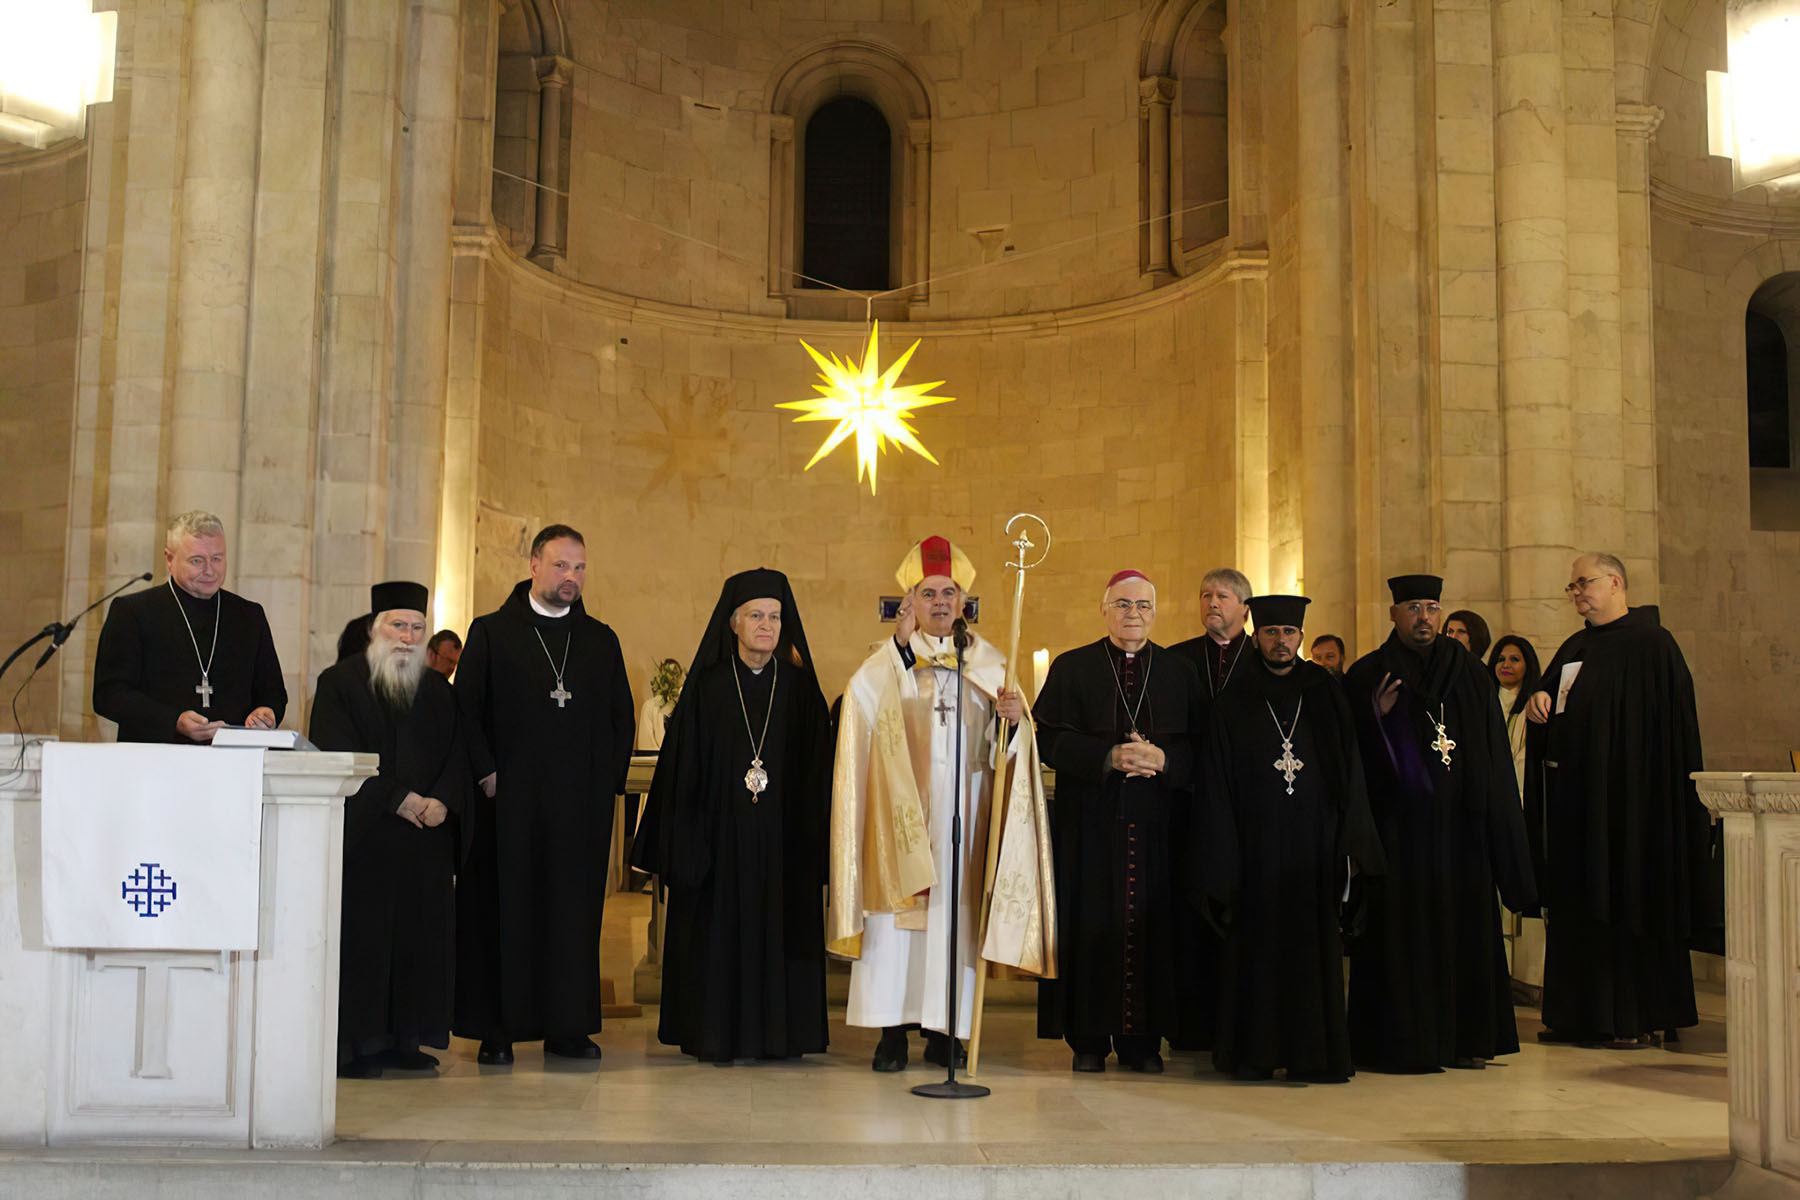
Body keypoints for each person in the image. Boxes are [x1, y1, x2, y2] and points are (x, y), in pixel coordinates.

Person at [828, 535, 1050, 1072]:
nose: (941, 602)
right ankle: (892, 1033)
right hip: (903, 817)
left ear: (963, 601)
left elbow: (1015, 748)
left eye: (950, 592)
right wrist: (901, 651)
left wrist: (1014, 723)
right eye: (929, 593)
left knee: (953, 924)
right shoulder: (888, 661)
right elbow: (858, 712)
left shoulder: (989, 661)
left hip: (964, 820)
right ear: (910, 602)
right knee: (897, 926)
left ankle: (946, 1031)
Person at [631, 570, 834, 1062]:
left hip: (782, 846)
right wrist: (690, 844)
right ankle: (713, 1032)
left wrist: (813, 846)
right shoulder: (707, 689)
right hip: (719, 845)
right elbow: (684, 776)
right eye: (756, 616)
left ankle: (782, 1036)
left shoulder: (803, 692)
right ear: (734, 624)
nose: (767, 626)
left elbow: (818, 778)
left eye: (775, 617)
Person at [453, 524, 636, 1066]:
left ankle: (568, 1027)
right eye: (560, 566)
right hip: (506, 804)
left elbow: (620, 719)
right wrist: (485, 771)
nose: (571, 578)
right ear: (533, 565)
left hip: (578, 810)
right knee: (504, 911)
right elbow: (465, 712)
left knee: (571, 915)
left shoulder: (601, 640)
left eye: (579, 568)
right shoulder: (491, 633)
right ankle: (499, 1028)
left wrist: (604, 785)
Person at [1341, 574, 1536, 1072]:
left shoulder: (1469, 673)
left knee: (1463, 928)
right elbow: (1349, 760)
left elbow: (1492, 754)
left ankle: (1466, 1038)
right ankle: (1402, 1042)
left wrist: (1496, 824)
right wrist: (1373, 717)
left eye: (1431, 606)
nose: (1423, 616)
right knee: (1400, 935)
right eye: (1412, 607)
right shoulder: (1369, 675)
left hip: (1460, 833)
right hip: (1398, 837)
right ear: (1394, 615)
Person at [1525, 553, 1713, 1049]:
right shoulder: (1574, 646)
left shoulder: (1653, 644)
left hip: (1635, 811)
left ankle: (1635, 1013)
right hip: (1579, 809)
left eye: (1582, 583)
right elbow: (1549, 702)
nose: (1577, 593)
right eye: (1572, 587)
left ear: (1615, 583)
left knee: (1630, 899)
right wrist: (1538, 703)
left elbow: (1674, 734)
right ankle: (1575, 1016)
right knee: (1578, 906)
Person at [1194, 594, 1384, 1083]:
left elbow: (1348, 769)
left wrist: (1349, 840)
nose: (1281, 642)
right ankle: (1253, 1055)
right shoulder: (1234, 695)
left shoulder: (1323, 689)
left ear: (1301, 637)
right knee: (1255, 948)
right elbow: (1216, 777)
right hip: (1252, 845)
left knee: (1311, 948)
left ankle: (1312, 1055)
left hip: (1313, 844)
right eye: (1272, 633)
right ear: (1257, 636)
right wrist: (1223, 850)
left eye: (1290, 634)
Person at [1033, 570, 1203, 1074]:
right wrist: (1108, 757)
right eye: (1124, 605)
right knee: (1090, 924)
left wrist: (1164, 760)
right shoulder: (1073, 667)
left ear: (1156, 612)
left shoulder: (1178, 672)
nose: (1134, 614)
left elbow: (1203, 748)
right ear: (1104, 609)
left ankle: (1142, 1043)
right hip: (1090, 826)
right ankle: (1087, 1040)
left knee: (1152, 929)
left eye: (1144, 606)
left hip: (1157, 828)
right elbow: (1048, 739)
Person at [308, 582, 465, 1080]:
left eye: (417, 628)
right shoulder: (340, 683)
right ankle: (357, 1045)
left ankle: (407, 1039)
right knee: (366, 940)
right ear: (376, 628)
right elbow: (335, 752)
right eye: (399, 626)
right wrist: (399, 799)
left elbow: (459, 751)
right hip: (367, 837)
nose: (407, 637)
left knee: (420, 938)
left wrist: (444, 799)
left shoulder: (438, 690)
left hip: (425, 840)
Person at [93, 510, 286, 743]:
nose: (209, 570)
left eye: (217, 558)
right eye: (197, 560)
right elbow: (109, 695)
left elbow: (273, 692)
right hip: (154, 760)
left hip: (233, 763)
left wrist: (266, 712)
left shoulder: (248, 616)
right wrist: (174, 720)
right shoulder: (133, 612)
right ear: (169, 559)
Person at [1166, 566, 1256, 1050]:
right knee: (1190, 919)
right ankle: (1191, 1026)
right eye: (1204, 595)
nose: (1211, 603)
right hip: (1190, 806)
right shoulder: (1177, 660)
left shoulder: (1265, 660)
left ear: (1245, 607)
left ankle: (1240, 1022)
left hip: (1246, 814)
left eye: (1222, 595)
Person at [1490, 633, 1545, 997]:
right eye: (1501, 659)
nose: (1506, 666)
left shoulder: (1534, 707)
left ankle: (1528, 978)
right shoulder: (1484, 701)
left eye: (1515, 659)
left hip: (1524, 808)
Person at [638, 658, 685, 751]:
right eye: (669, 674)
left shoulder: (684, 707)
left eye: (676, 674)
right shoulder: (650, 706)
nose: (673, 679)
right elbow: (646, 744)